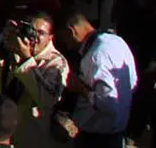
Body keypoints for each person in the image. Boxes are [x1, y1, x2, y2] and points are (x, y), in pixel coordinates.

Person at [0, 11, 69, 148]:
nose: (34, 37)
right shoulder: (8, 47)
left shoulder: (56, 62)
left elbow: (47, 100)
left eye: (41, 33)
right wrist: (1, 50)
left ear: (50, 38)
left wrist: (26, 60)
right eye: (31, 30)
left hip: (27, 138)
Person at [53, 11, 137, 148]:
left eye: (65, 41)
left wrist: (81, 89)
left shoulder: (95, 57)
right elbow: (133, 83)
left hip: (98, 139)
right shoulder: (117, 41)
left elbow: (109, 105)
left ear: (70, 32)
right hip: (118, 134)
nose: (67, 46)